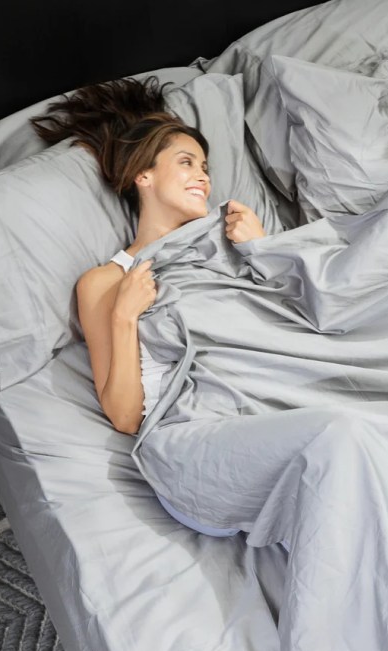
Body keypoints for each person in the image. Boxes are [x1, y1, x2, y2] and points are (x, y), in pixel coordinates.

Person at [30, 76, 266, 434]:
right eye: (187, 162)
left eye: (205, 168)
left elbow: (293, 318)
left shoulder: (233, 239)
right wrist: (124, 316)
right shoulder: (105, 281)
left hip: (267, 390)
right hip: (198, 423)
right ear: (143, 175)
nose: (203, 177)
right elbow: (125, 418)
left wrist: (263, 251)